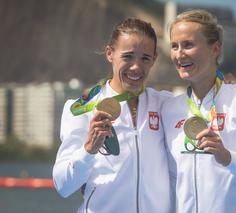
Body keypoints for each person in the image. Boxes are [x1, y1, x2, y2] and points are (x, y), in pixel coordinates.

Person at [161, 9, 236, 213]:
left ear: (215, 49)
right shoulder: (170, 109)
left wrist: (228, 158)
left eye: (188, 44)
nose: (179, 54)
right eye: (174, 46)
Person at [52, 18, 172, 213]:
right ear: (110, 54)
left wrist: (227, 88)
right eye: (128, 57)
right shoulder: (82, 109)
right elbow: (63, 186)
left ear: (154, 59)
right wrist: (88, 150)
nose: (136, 67)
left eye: (145, 58)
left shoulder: (166, 105)